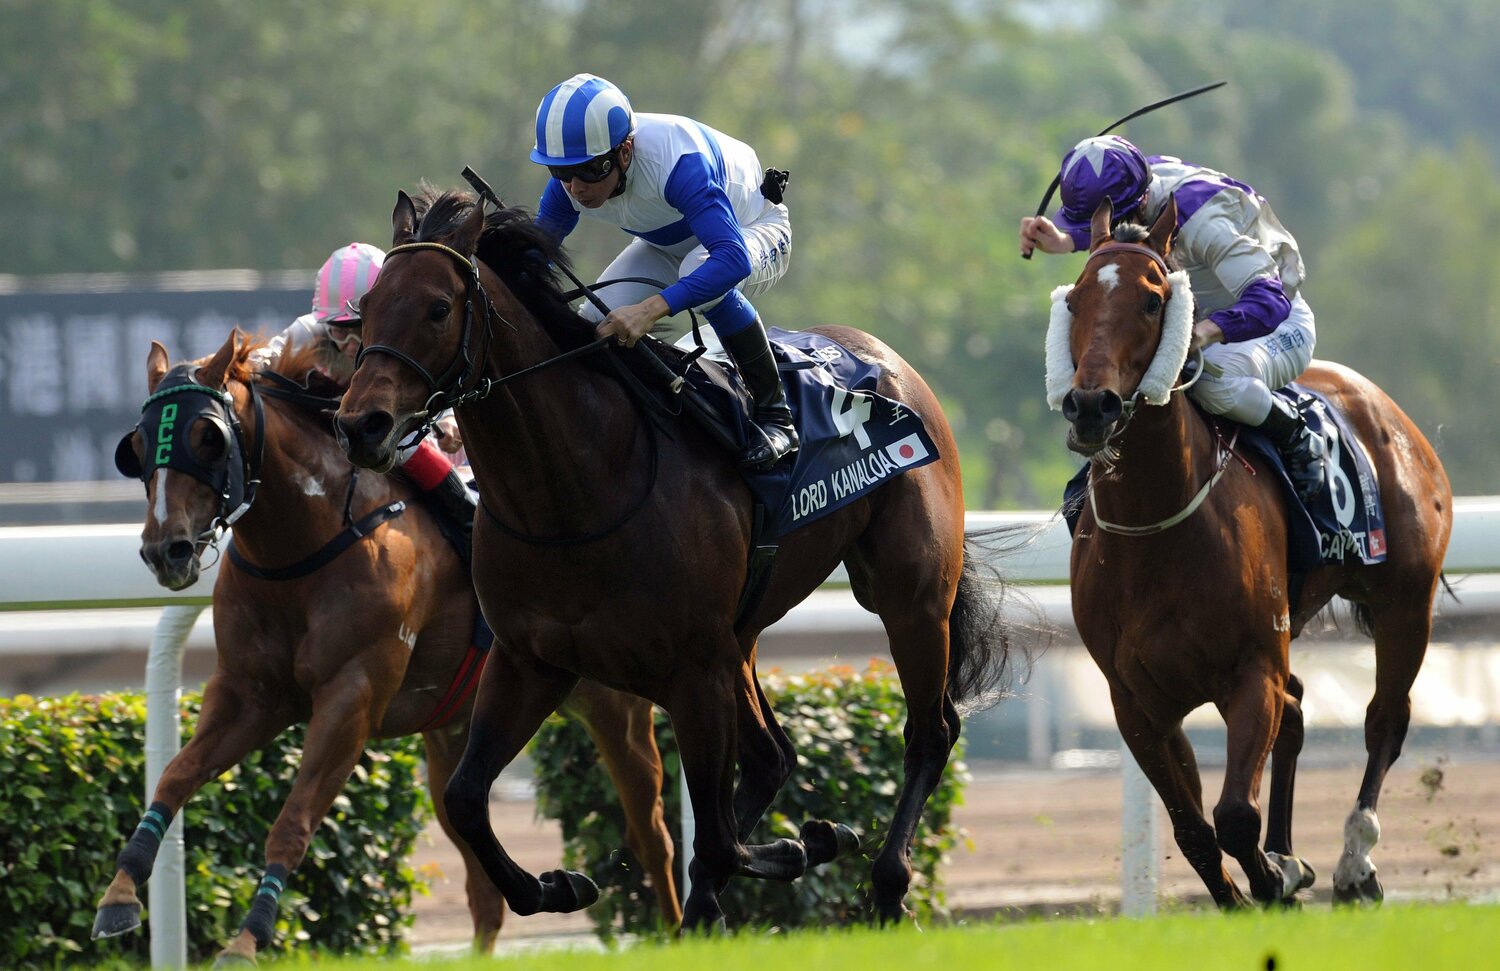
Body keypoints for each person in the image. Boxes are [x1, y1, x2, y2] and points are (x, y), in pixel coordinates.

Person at [1019, 135, 1329, 502]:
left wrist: (1198, 335)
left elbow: (1269, 300)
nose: (1104, 235)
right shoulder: (1136, 182)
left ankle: (1296, 433)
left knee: (1213, 377)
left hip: (1273, 324)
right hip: (1191, 314)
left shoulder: (1206, 222)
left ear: (1143, 202)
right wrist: (1064, 239)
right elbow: (1114, 228)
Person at [529, 73, 798, 470]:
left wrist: (650, 309)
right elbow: (535, 258)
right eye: (560, 173)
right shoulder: (573, 182)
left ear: (625, 152)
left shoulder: (677, 163)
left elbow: (732, 259)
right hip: (669, 244)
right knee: (593, 322)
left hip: (753, 231)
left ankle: (777, 415)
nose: (575, 187)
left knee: (701, 271)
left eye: (589, 170)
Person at [257, 242, 477, 558]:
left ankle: (469, 520)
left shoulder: (405, 332)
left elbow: (442, 386)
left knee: (411, 448)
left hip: (406, 435)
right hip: (341, 437)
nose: (348, 344)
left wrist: (447, 420)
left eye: (357, 328)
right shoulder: (308, 330)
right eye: (338, 329)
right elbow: (262, 359)